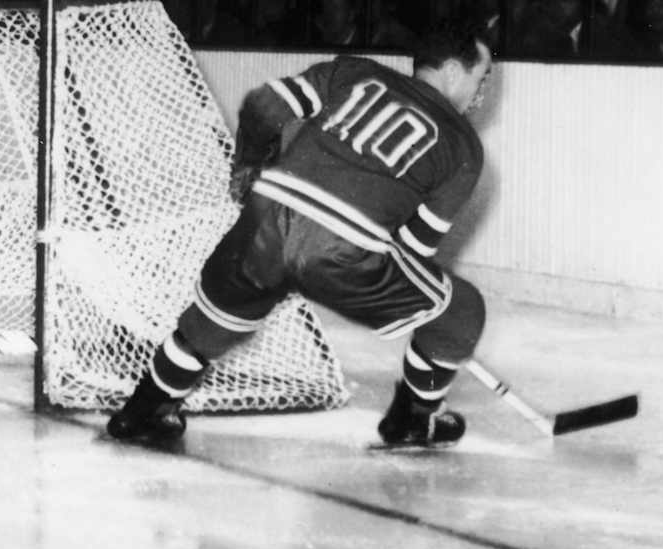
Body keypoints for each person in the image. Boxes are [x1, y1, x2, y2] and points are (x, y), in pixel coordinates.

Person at [106, 25, 496, 450]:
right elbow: (414, 251)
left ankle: (141, 412)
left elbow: (262, 107)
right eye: (482, 77)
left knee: (213, 321)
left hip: (266, 214)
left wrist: (249, 165)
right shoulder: (464, 148)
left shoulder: (355, 72)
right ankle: (413, 421)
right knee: (461, 310)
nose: (480, 93)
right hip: (342, 249)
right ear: (455, 71)